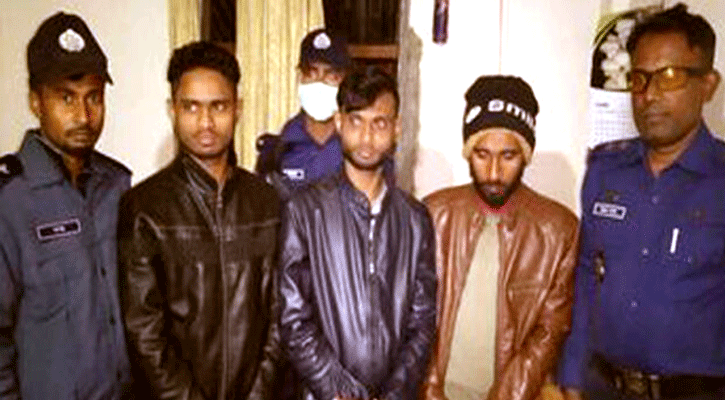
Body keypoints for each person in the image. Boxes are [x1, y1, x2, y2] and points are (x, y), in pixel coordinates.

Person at [558, 4, 725, 400]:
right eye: (639, 78)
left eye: (669, 77)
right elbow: (587, 275)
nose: (649, 95)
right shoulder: (605, 170)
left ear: (708, 85)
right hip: (603, 388)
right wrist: (572, 373)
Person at [118, 42, 280, 399]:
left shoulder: (267, 203)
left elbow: (279, 317)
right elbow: (144, 330)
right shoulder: (143, 207)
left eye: (218, 106)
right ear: (172, 110)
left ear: (237, 109)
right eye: (191, 107)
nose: (205, 122)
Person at [278, 67, 437, 400]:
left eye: (379, 123)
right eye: (356, 121)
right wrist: (338, 390)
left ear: (397, 128)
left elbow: (422, 322)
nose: (366, 137)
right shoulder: (304, 210)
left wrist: (394, 393)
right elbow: (293, 317)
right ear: (339, 122)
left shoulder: (415, 219)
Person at [0, 12, 132, 399]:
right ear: (35, 101)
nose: (84, 116)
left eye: (94, 97)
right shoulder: (10, 201)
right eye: (66, 98)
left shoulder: (117, 186)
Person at [422, 76, 579, 400]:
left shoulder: (559, 230)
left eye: (508, 156)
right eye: (482, 154)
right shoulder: (433, 214)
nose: (494, 172)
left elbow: (548, 332)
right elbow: (412, 318)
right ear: (468, 153)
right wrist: (428, 389)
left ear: (526, 155)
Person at [256, 28, 353, 198]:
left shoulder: (359, 146)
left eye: (331, 75)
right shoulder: (277, 152)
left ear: (346, 81)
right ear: (299, 77)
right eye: (311, 73)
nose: (319, 83)